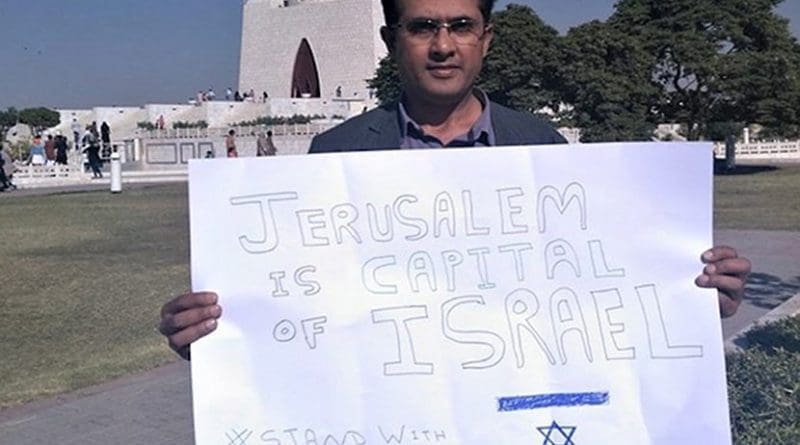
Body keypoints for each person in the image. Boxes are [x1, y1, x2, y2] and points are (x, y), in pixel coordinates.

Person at [159, 0, 751, 360]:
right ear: (392, 43)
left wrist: (694, 300)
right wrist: (214, 336)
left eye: (461, 25)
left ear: (484, 40)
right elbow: (303, 304)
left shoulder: (542, 146)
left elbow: (592, 298)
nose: (443, 45)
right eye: (422, 27)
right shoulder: (333, 153)